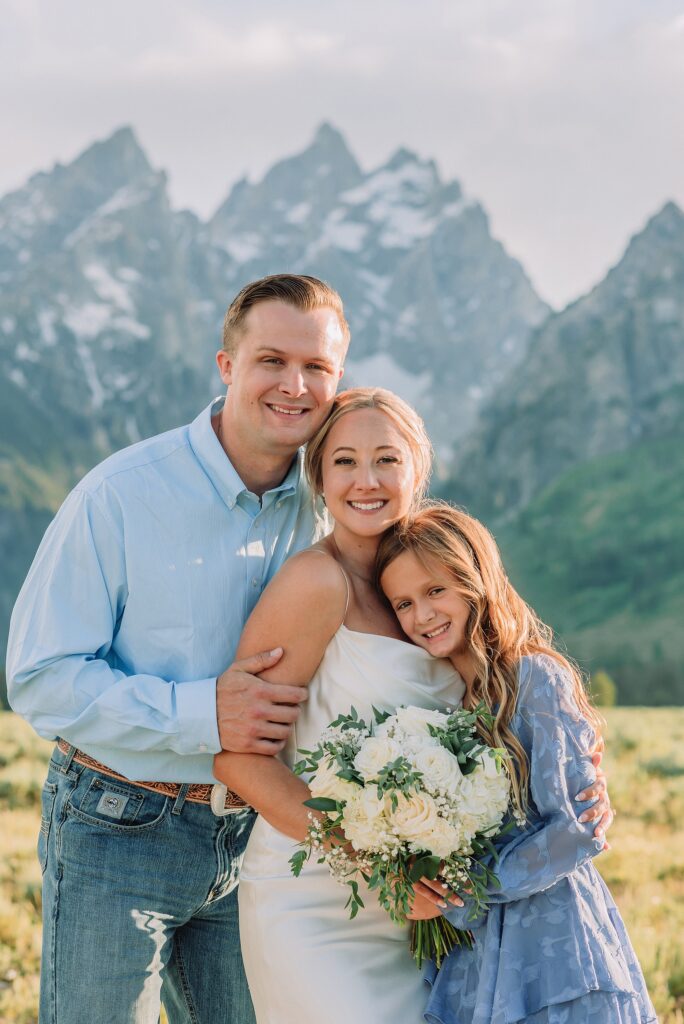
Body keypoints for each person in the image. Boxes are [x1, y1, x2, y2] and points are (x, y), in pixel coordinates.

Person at [6, 274, 350, 1024]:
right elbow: (38, 677)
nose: (295, 385)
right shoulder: (122, 495)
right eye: (271, 360)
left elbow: (439, 602)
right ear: (227, 367)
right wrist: (204, 714)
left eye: (317, 368)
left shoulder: (336, 505)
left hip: (262, 839)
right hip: (118, 827)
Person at [212, 388, 612, 1024]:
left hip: (434, 913)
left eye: (386, 460)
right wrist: (374, 872)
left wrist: (575, 773)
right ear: (316, 476)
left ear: (418, 469)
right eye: (343, 461)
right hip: (319, 902)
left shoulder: (427, 592)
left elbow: (507, 700)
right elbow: (239, 760)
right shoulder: (316, 583)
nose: (365, 481)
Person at [377, 503, 656, 1024]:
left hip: (553, 945)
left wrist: (454, 897)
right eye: (404, 603)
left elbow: (575, 829)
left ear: (473, 579)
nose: (422, 615)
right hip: (476, 958)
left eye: (436, 590)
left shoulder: (535, 679)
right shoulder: (443, 708)